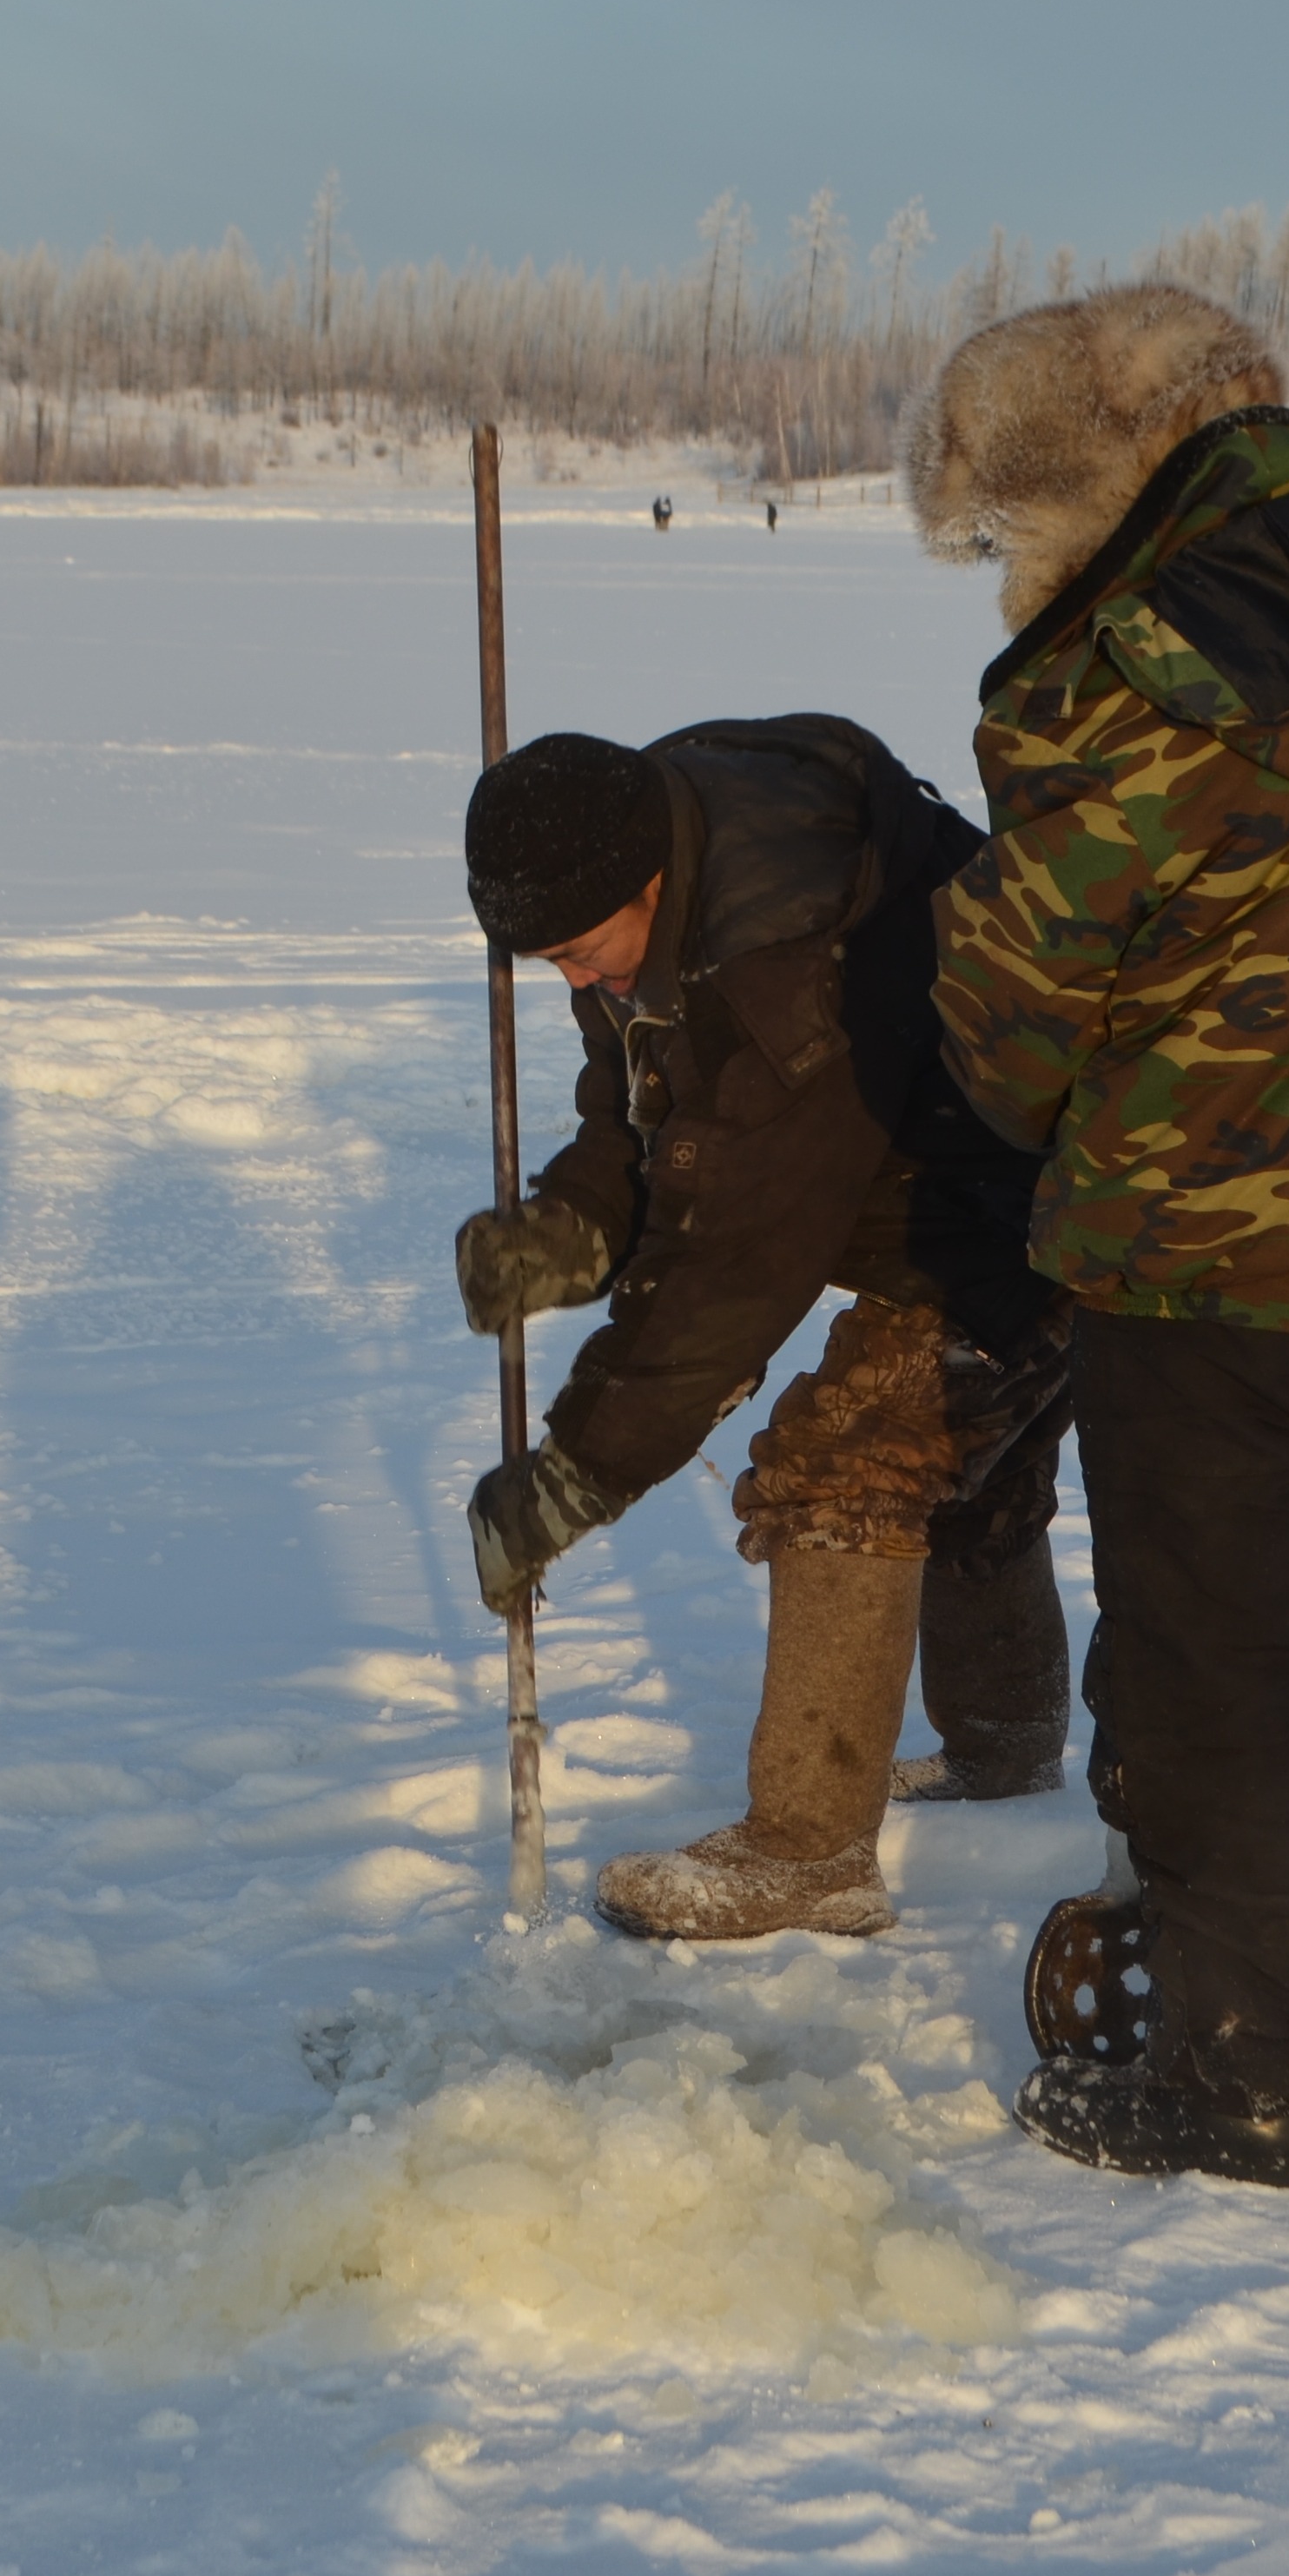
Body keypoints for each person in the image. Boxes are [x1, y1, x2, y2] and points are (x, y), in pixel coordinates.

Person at [910, 283, 1289, 2188]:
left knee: (1211, 1678)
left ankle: (1239, 2077)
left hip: (1208, 1257)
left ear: (1074, 490)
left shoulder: (1128, 664)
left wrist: (975, 975)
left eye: (1004, 532)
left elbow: (1020, 1007)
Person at [459, 719, 1072, 1940]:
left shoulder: (782, 954)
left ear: (646, 882)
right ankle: (1003, 1750)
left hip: (1049, 1200)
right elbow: (650, 1112)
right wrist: (576, 1225)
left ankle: (809, 1852)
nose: (573, 982)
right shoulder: (659, 876)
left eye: (577, 952)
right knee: (957, 1450)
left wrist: (581, 1469)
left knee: (851, 1457)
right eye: (547, 963)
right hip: (951, 1188)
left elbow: (740, 1265)